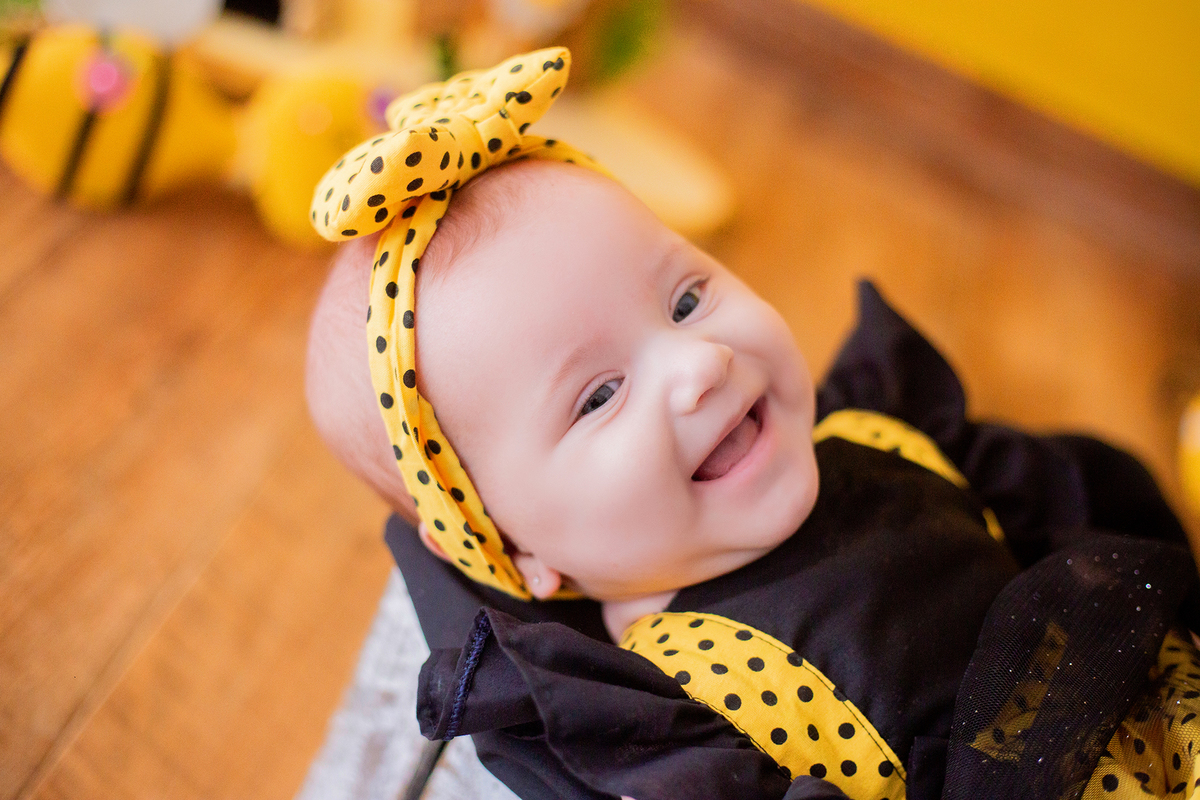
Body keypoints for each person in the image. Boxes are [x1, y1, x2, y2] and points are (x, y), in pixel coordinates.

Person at [304, 48, 1200, 800]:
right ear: (517, 551)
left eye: (688, 297)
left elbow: (1081, 507)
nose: (699, 367)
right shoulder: (680, 716)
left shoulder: (883, 435)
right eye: (598, 396)